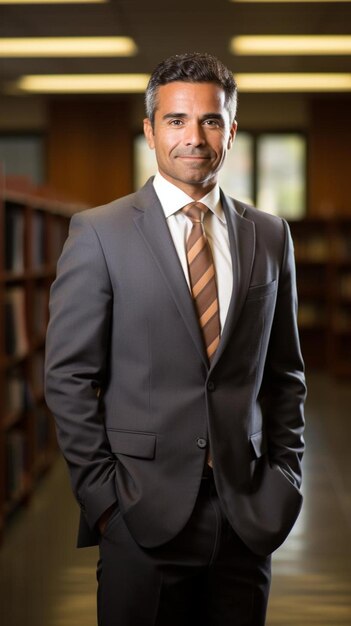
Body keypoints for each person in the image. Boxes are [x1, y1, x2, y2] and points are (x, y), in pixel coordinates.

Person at [45, 52, 306, 626]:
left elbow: (285, 374)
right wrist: (104, 501)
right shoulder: (100, 233)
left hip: (246, 515)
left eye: (211, 120)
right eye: (176, 120)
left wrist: (284, 478)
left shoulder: (268, 235)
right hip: (140, 517)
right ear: (150, 130)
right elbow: (68, 379)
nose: (195, 137)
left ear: (232, 131)